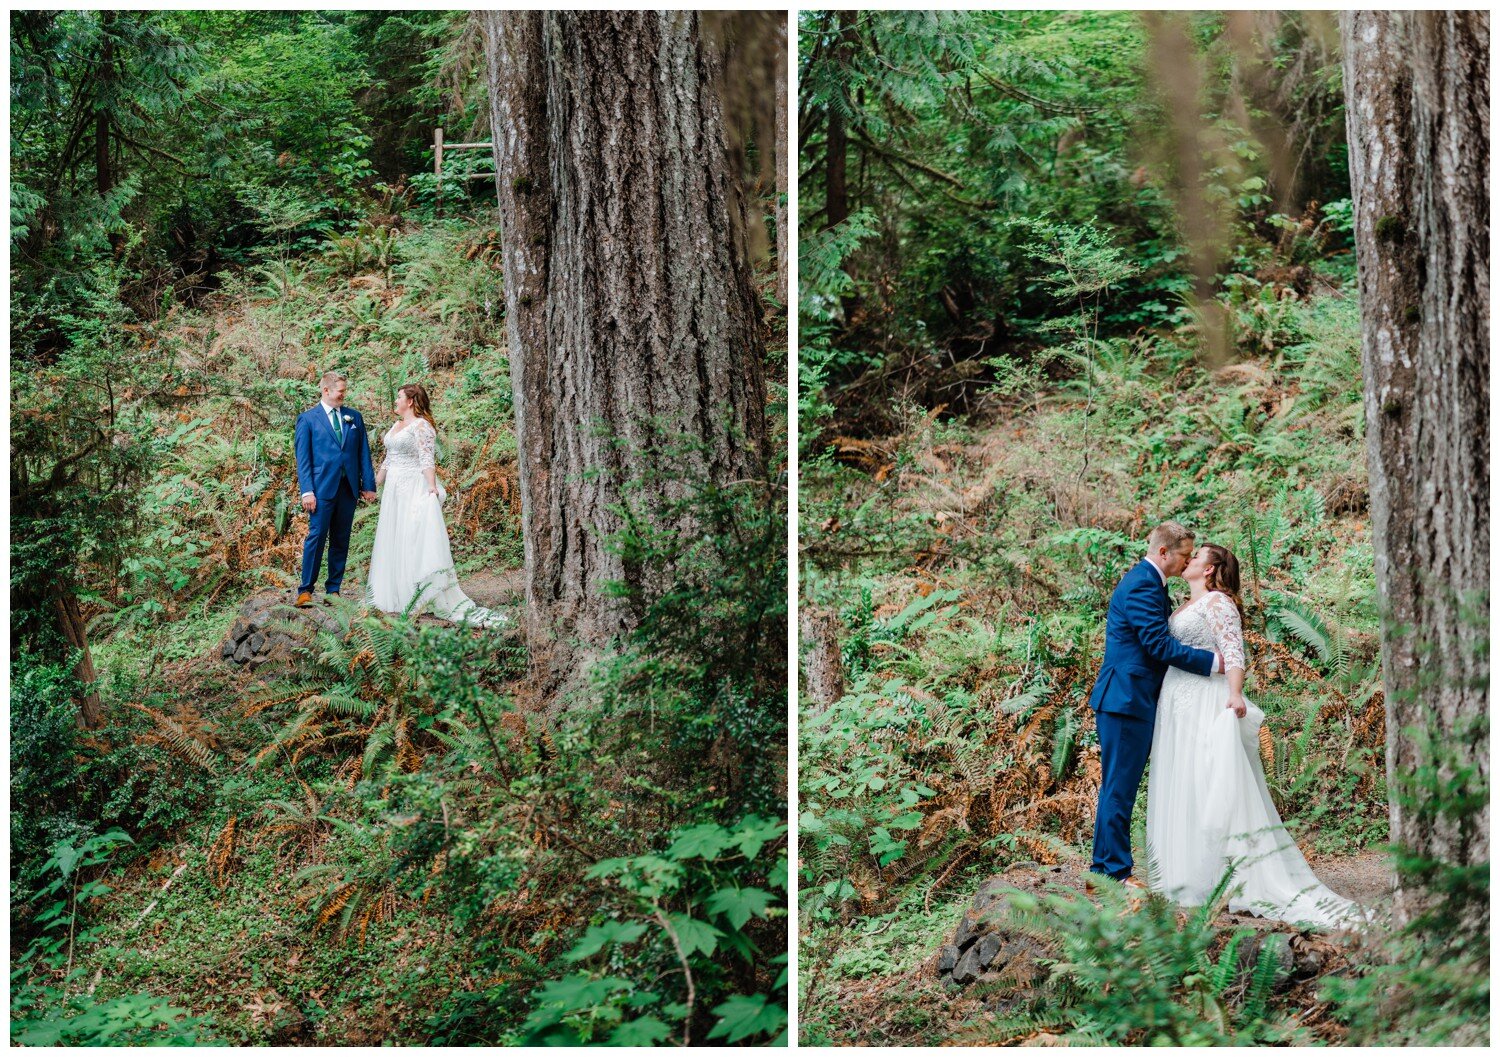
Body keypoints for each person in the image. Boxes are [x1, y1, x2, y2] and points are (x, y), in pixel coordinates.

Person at [1146, 543, 1360, 928]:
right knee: (1183, 781)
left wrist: (1234, 693)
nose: (1189, 558)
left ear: (1210, 570)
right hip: (1176, 700)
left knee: (1208, 781)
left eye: (1197, 556)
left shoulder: (1219, 604)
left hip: (1203, 701)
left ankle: (1231, 875)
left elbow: (1234, 651)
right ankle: (1188, 876)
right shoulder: (1181, 605)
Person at [1087, 521, 1223, 889]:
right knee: (1119, 786)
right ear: (1163, 552)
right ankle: (1112, 873)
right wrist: (1212, 663)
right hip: (1125, 699)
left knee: (1119, 785)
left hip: (1133, 698)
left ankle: (1104, 871)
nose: (1187, 561)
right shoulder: (1142, 585)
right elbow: (1158, 646)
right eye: (1183, 555)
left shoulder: (1152, 584)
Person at [366, 383, 504, 627]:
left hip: (412, 486)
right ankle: (394, 594)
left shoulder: (422, 427)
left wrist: (431, 487)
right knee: (394, 536)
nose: (395, 401)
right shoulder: (396, 426)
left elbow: (426, 458)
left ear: (410, 401)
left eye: (399, 397)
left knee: (411, 537)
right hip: (393, 490)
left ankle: (416, 593)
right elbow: (388, 460)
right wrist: (373, 483)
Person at [294, 371, 377, 608]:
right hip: (320, 490)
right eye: (340, 391)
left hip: (347, 489)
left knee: (341, 539)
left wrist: (368, 485)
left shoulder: (354, 417)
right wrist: (307, 491)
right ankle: (305, 590)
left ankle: (333, 590)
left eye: (344, 390)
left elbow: (363, 453)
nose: (344, 395)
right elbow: (304, 459)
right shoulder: (308, 419)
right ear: (326, 390)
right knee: (317, 537)